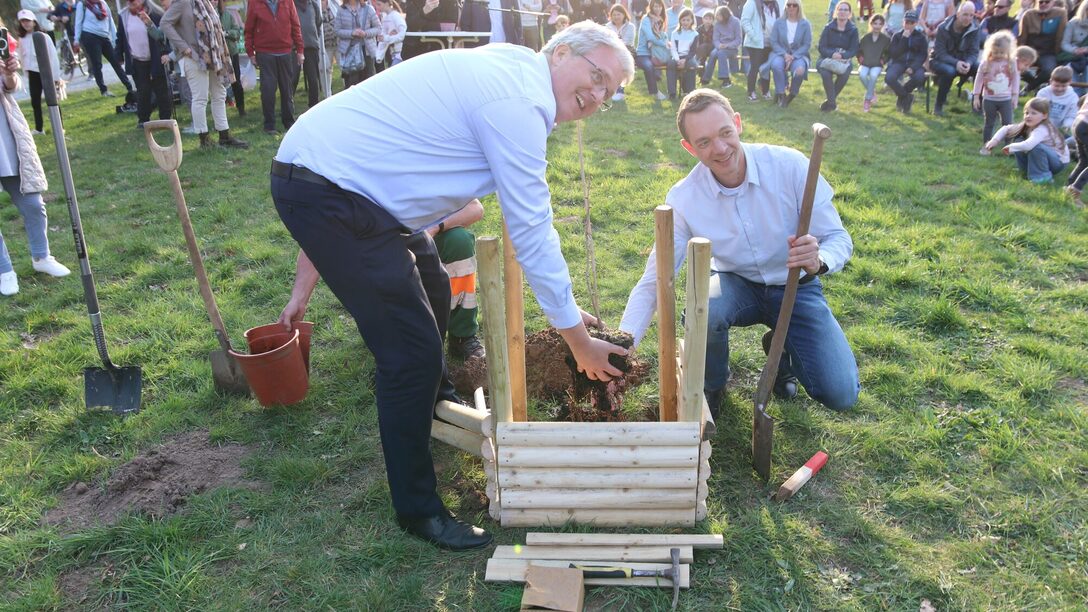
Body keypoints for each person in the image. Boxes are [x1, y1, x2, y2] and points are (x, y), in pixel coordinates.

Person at [271, 21, 633, 551]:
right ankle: (418, 510)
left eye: (611, 91)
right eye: (596, 75)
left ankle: (429, 398)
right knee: (409, 353)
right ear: (558, 53)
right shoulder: (517, 100)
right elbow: (531, 228)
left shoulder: (518, 74)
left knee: (435, 285)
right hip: (332, 192)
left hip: (351, 188)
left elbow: (366, 161)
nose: (599, 95)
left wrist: (306, 281)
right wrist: (576, 339)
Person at [618, 88, 859, 419]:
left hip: (795, 287)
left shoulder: (790, 166)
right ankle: (713, 384)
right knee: (705, 309)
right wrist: (624, 344)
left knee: (841, 393)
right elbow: (655, 280)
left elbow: (837, 238)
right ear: (689, 148)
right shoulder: (684, 198)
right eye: (703, 142)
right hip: (735, 282)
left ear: (738, 123)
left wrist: (819, 260)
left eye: (724, 133)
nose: (719, 148)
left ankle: (783, 348)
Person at [0, 23, 71, 297]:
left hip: (7, 142)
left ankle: (41, 257)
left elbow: (10, 87)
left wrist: (10, 73)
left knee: (33, 204)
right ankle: (4, 270)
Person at [162, 0, 249, 147]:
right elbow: (165, 23)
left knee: (219, 94)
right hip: (194, 57)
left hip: (214, 56)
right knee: (200, 98)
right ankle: (204, 140)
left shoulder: (206, 3)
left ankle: (224, 136)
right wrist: (184, 47)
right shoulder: (183, 2)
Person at [425, 200, 486, 360]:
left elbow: (475, 209)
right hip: (396, 238)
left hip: (432, 234)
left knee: (459, 241)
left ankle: (461, 335)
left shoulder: (438, 175)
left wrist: (436, 227)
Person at [243, 0, 305, 134]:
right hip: (265, 53)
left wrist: (300, 50)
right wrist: (250, 52)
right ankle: (269, 125)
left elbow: (296, 25)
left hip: (285, 52)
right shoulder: (254, 3)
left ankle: (289, 122)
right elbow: (249, 29)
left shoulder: (288, 2)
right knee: (268, 90)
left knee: (287, 89)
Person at [117, 0, 173, 130]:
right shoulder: (123, 15)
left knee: (161, 90)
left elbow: (163, 37)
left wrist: (165, 54)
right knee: (143, 91)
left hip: (155, 57)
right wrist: (119, 55)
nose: (132, 4)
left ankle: (165, 119)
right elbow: (120, 37)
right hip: (137, 59)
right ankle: (143, 120)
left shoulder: (156, 12)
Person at [984, 96, 1069, 182]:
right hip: (1047, 160)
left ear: (1044, 116)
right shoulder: (1027, 125)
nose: (1028, 116)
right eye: (1026, 113)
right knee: (1019, 141)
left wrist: (1010, 147)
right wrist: (995, 140)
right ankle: (1026, 170)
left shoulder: (1043, 129)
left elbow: (1029, 145)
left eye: (1034, 113)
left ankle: (1043, 177)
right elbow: (1006, 128)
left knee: (1036, 147)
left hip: (1058, 163)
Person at [75, 0, 138, 98]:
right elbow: (78, 23)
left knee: (116, 61)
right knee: (97, 64)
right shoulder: (82, 4)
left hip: (104, 36)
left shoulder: (102, 3)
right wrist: (76, 40)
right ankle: (104, 90)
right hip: (89, 35)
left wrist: (115, 39)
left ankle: (129, 87)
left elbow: (110, 21)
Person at [930, 0, 981, 116]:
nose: (968, 18)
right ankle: (939, 105)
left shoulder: (975, 29)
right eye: (965, 14)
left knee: (979, 68)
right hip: (939, 60)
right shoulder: (943, 27)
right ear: (958, 14)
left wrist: (968, 62)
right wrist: (956, 63)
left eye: (971, 15)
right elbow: (940, 53)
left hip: (962, 60)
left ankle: (977, 104)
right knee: (950, 71)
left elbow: (974, 51)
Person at [15, 9, 60, 135]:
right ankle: (39, 128)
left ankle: (59, 127)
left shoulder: (43, 36)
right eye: (23, 21)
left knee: (52, 100)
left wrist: (55, 76)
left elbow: (53, 57)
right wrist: (26, 72)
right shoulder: (22, 39)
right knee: (35, 101)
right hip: (32, 74)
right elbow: (22, 57)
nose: (25, 24)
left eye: (28, 21)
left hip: (45, 73)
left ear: (34, 22)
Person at [974, 30, 1020, 151]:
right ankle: (987, 145)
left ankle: (1008, 147)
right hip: (989, 99)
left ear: (1008, 50)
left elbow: (1015, 79)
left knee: (1007, 123)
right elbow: (978, 79)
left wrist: (1015, 95)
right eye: (995, 52)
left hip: (1006, 99)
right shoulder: (985, 63)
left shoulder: (1011, 63)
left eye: (1001, 52)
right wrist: (976, 95)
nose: (998, 55)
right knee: (989, 123)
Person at [816, 1, 859, 112]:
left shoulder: (853, 30)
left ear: (849, 13)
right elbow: (821, 47)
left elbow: (854, 49)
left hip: (844, 60)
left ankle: (830, 102)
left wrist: (842, 55)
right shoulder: (828, 27)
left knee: (844, 74)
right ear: (836, 11)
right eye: (840, 9)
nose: (842, 12)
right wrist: (832, 54)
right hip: (826, 58)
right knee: (825, 73)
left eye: (845, 10)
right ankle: (832, 103)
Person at [767, 0, 811, 107]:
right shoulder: (779, 22)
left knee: (800, 70)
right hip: (781, 53)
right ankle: (781, 94)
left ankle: (792, 94)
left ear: (799, 7)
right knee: (776, 65)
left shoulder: (805, 24)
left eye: (794, 5)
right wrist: (785, 55)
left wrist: (793, 56)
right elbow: (773, 41)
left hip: (798, 54)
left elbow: (806, 44)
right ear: (785, 7)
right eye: (788, 5)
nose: (791, 7)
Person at [1018, 0, 1068, 91]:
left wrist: (1057, 54)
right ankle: (1035, 85)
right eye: (1041, 2)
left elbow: (1060, 37)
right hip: (1030, 51)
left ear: (1053, 2)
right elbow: (1022, 38)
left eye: (1047, 2)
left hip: (1048, 52)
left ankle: (1028, 88)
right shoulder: (1028, 15)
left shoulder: (1060, 14)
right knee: (1017, 66)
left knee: (1049, 70)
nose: (1043, 4)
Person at [885, 9, 927, 112]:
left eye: (911, 23)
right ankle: (906, 97)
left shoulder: (921, 37)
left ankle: (902, 96)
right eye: (906, 22)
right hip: (899, 62)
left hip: (914, 64)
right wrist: (904, 39)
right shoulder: (897, 35)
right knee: (889, 77)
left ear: (916, 23)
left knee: (920, 77)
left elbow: (922, 55)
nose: (908, 25)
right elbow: (893, 54)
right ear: (903, 22)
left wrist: (913, 67)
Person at [741, 0, 781, 101]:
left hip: (770, 42)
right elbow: (745, 21)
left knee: (766, 68)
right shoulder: (752, 3)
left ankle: (765, 90)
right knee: (755, 67)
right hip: (755, 43)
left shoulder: (776, 4)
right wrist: (754, 36)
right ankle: (751, 92)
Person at [334, 0, 379, 88]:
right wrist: (352, 33)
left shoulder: (368, 8)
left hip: (366, 51)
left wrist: (365, 33)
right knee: (351, 83)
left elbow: (378, 28)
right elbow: (337, 30)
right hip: (349, 52)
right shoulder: (341, 10)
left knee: (369, 83)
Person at [636, 0, 673, 100]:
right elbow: (650, 37)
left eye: (660, 6)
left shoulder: (660, 19)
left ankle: (674, 91)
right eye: (655, 7)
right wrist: (665, 44)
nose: (658, 9)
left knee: (674, 62)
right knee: (648, 66)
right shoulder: (646, 19)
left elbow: (662, 36)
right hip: (643, 54)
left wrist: (668, 44)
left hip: (657, 53)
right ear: (651, 7)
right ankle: (655, 92)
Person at [857, 13, 890, 111]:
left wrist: (883, 60)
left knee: (873, 75)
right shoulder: (865, 38)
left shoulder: (886, 39)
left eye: (880, 24)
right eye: (875, 23)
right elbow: (859, 50)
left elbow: (888, 53)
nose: (877, 26)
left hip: (877, 64)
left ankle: (867, 100)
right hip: (865, 63)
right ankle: (872, 92)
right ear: (871, 24)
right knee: (862, 74)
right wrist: (860, 58)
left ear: (883, 25)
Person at [703, 5, 742, 87]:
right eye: (716, 15)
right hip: (720, 47)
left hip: (732, 48)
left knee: (721, 53)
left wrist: (727, 45)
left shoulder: (736, 22)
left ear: (725, 15)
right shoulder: (717, 24)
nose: (716, 17)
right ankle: (706, 79)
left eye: (718, 15)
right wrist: (719, 45)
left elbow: (738, 40)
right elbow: (715, 39)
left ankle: (726, 80)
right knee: (713, 54)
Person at [219, 0, 246, 117]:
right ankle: (222, 113)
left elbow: (237, 32)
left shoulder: (228, 15)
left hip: (232, 53)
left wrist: (227, 33)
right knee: (219, 84)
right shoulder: (209, 15)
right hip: (218, 56)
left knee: (236, 81)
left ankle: (241, 108)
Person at [293, 0, 322, 109]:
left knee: (313, 79)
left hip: (311, 47)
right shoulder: (291, 5)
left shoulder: (313, 5)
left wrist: (314, 37)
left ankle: (314, 106)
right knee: (292, 79)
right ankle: (288, 107)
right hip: (295, 48)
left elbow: (318, 23)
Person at [1037, 64, 1078, 137]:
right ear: (1051, 81)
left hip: (1059, 129)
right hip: (1041, 126)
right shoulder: (1043, 93)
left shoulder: (1073, 98)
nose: (1059, 89)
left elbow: (1072, 115)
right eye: (1056, 85)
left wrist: (1067, 125)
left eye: (1063, 86)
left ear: (1069, 82)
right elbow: (1037, 110)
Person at [606, 3, 635, 100]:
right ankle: (611, 89)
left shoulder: (630, 26)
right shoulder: (607, 27)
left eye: (619, 14)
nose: (616, 17)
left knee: (620, 63)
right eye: (614, 15)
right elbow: (606, 42)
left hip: (627, 51)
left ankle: (620, 90)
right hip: (611, 52)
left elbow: (628, 42)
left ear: (624, 15)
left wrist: (615, 42)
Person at [1064, 93, 1088, 203]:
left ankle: (1068, 186)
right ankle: (1075, 189)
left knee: (1084, 161)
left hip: (1078, 122)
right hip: (1086, 127)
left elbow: (1081, 101)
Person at [670, 7, 699, 97]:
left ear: (692, 21)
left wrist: (685, 60)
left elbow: (693, 51)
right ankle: (672, 92)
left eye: (688, 20)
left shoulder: (694, 34)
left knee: (692, 64)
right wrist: (678, 60)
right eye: (683, 20)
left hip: (688, 57)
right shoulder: (675, 33)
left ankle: (689, 91)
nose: (685, 22)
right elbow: (673, 49)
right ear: (680, 21)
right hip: (677, 56)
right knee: (670, 64)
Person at [1060, 1, 1088, 88]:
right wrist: (1075, 50)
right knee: (1070, 68)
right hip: (1072, 55)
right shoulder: (1072, 23)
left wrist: (1086, 49)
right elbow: (1065, 43)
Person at [374, 0, 406, 69]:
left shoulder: (396, 16)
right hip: (394, 54)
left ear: (387, 3)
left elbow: (402, 34)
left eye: (379, 4)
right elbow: (383, 39)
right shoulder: (386, 17)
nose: (377, 7)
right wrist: (378, 56)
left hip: (400, 53)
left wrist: (386, 38)